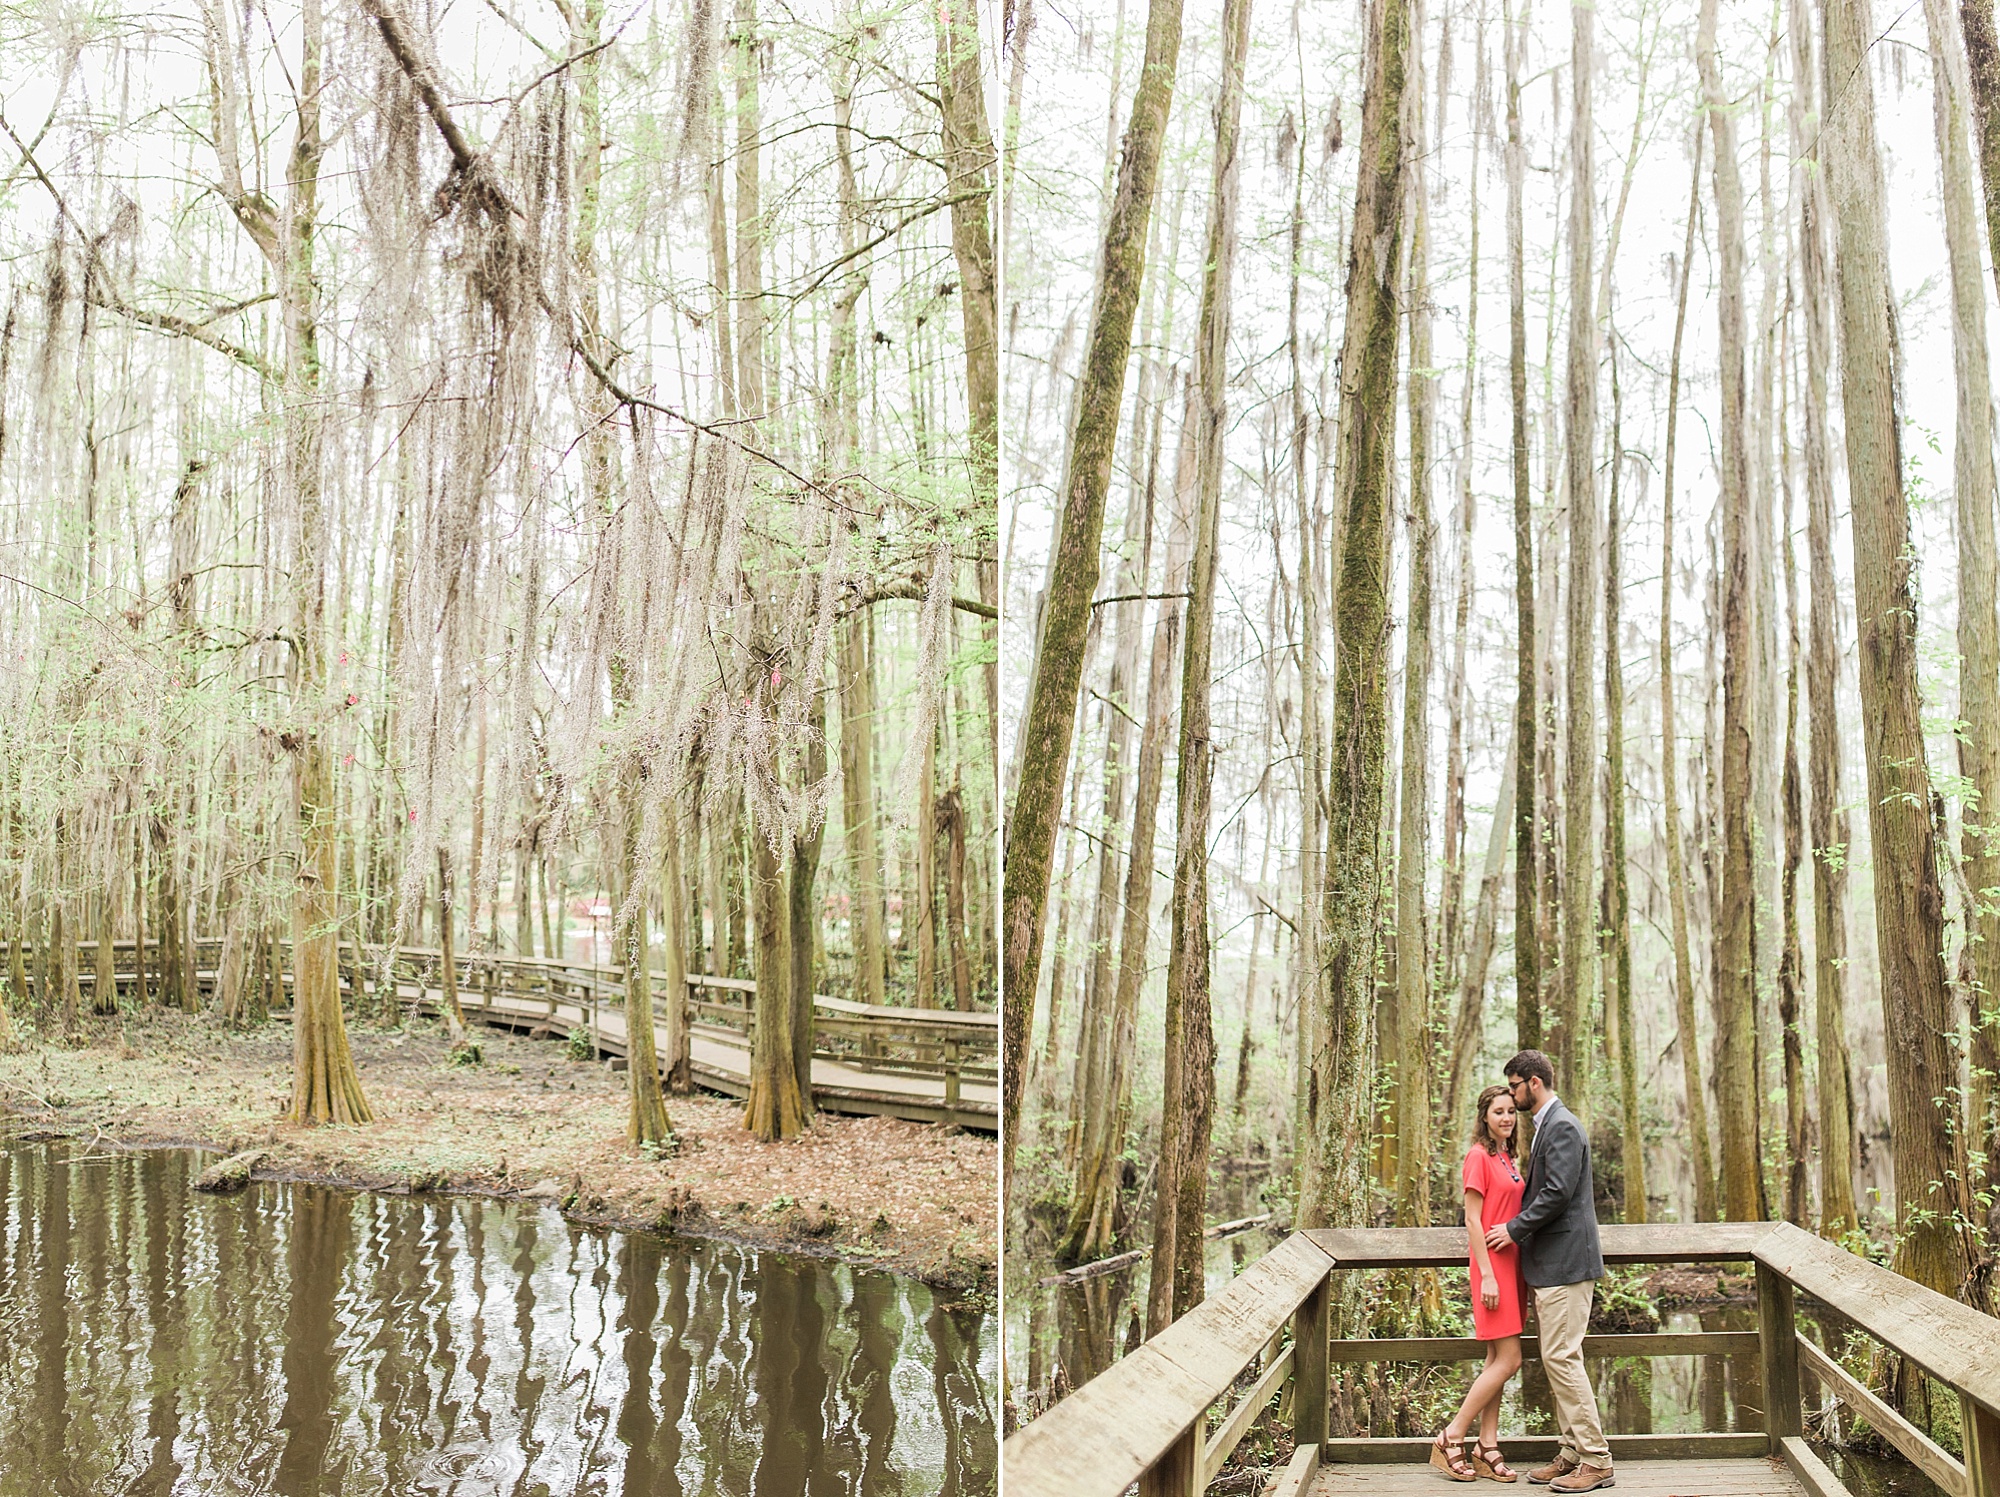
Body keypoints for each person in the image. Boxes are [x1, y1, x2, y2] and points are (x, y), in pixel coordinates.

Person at [1482, 1049, 1612, 1491]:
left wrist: (1513, 1229)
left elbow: (1557, 1192)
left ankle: (1597, 1459)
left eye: (1514, 1086)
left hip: (1566, 1263)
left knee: (1561, 1357)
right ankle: (1571, 1452)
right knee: (1560, 1358)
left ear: (1533, 1083)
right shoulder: (1547, 1127)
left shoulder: (1562, 1126)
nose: (1512, 1095)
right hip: (1554, 1265)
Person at [1430, 1084, 1526, 1483]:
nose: (1506, 1118)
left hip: (1514, 1265)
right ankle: (1450, 1436)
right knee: (1510, 1359)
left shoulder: (1508, 1156)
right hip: (1492, 1267)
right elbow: (1472, 1220)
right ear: (1484, 1116)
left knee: (1496, 1363)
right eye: (1498, 1111)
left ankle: (1487, 1446)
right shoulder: (1477, 1156)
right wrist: (1486, 1273)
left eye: (1510, 1111)